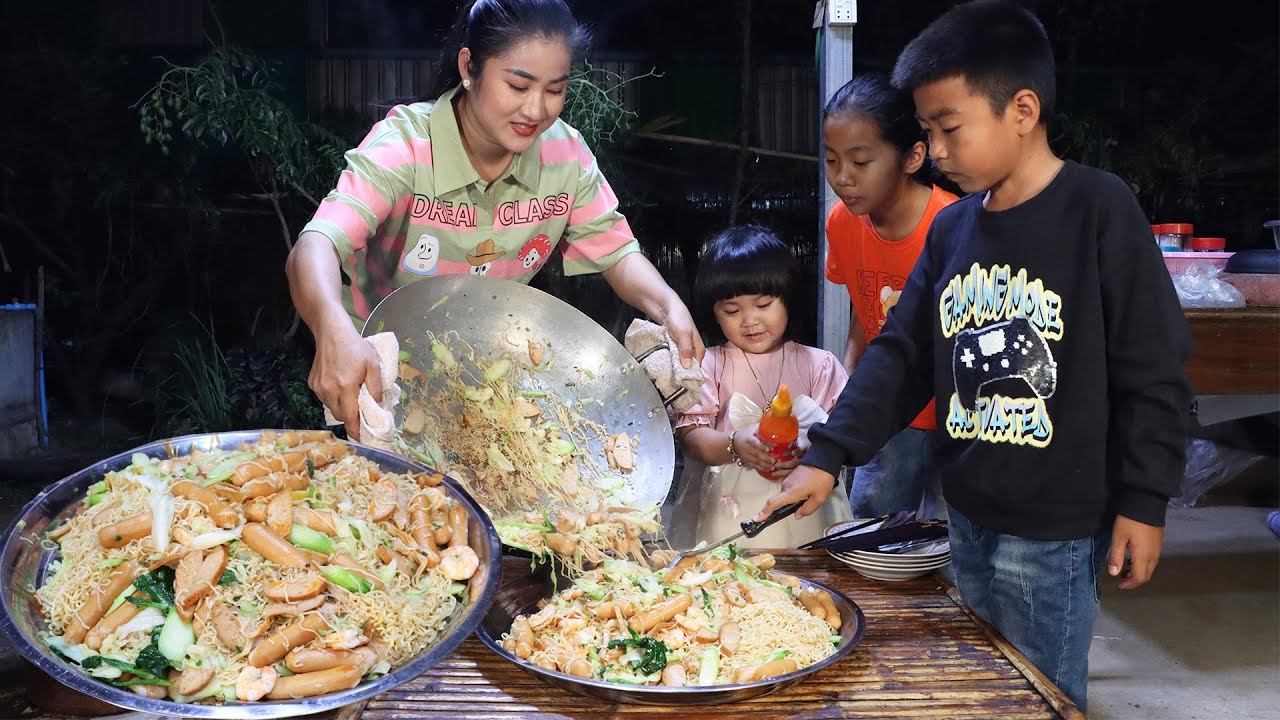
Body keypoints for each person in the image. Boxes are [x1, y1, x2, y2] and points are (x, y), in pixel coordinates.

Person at [757, 0, 1192, 710]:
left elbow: (1154, 365)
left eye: (949, 128)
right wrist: (827, 453)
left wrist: (1145, 501)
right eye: (928, 131)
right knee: (983, 681)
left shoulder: (1098, 209)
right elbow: (900, 355)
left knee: (1040, 690)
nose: (940, 150)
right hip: (968, 516)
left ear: (1022, 109)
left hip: (1056, 525)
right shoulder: (953, 228)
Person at [285, 0, 702, 439]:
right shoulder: (405, 145)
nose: (537, 110)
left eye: (555, 90)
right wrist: (331, 327)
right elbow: (316, 246)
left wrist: (668, 304)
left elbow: (615, 251)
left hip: (487, 375)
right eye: (518, 86)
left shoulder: (566, 155)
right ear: (469, 67)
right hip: (376, 377)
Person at [822, 73, 957, 520]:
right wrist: (851, 378)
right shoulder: (842, 223)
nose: (842, 177)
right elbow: (867, 312)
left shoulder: (953, 224)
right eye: (831, 160)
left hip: (958, 416)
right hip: (891, 409)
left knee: (956, 538)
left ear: (913, 156)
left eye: (861, 162)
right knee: (872, 527)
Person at [667, 226, 853, 549]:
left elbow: (845, 433)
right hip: (727, 520)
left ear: (787, 299)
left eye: (764, 304)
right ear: (714, 311)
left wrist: (815, 452)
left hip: (803, 511)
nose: (750, 320)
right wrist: (732, 444)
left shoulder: (818, 365)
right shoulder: (709, 365)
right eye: (732, 310)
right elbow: (691, 438)